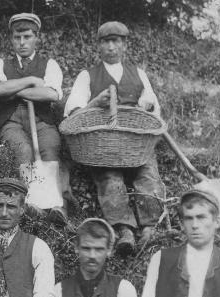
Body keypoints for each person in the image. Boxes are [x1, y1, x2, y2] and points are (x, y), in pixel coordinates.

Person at [64, 21, 165, 255]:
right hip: (103, 143)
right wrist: (93, 104)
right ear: (98, 46)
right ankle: (125, 229)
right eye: (105, 42)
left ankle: (150, 227)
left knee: (148, 173)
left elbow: (153, 108)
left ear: (124, 45)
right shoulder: (87, 76)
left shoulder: (139, 74)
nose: (111, 47)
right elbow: (73, 115)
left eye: (115, 41)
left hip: (135, 142)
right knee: (110, 178)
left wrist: (147, 106)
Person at [0, 13, 68, 223]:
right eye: (17, 37)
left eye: (27, 37)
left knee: (49, 147)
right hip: (11, 121)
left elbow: (51, 94)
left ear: (36, 38)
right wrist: (32, 81)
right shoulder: (0, 64)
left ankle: (56, 204)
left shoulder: (50, 64)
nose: (22, 42)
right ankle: (32, 202)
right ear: (11, 39)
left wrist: (12, 89)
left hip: (41, 120)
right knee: (22, 150)